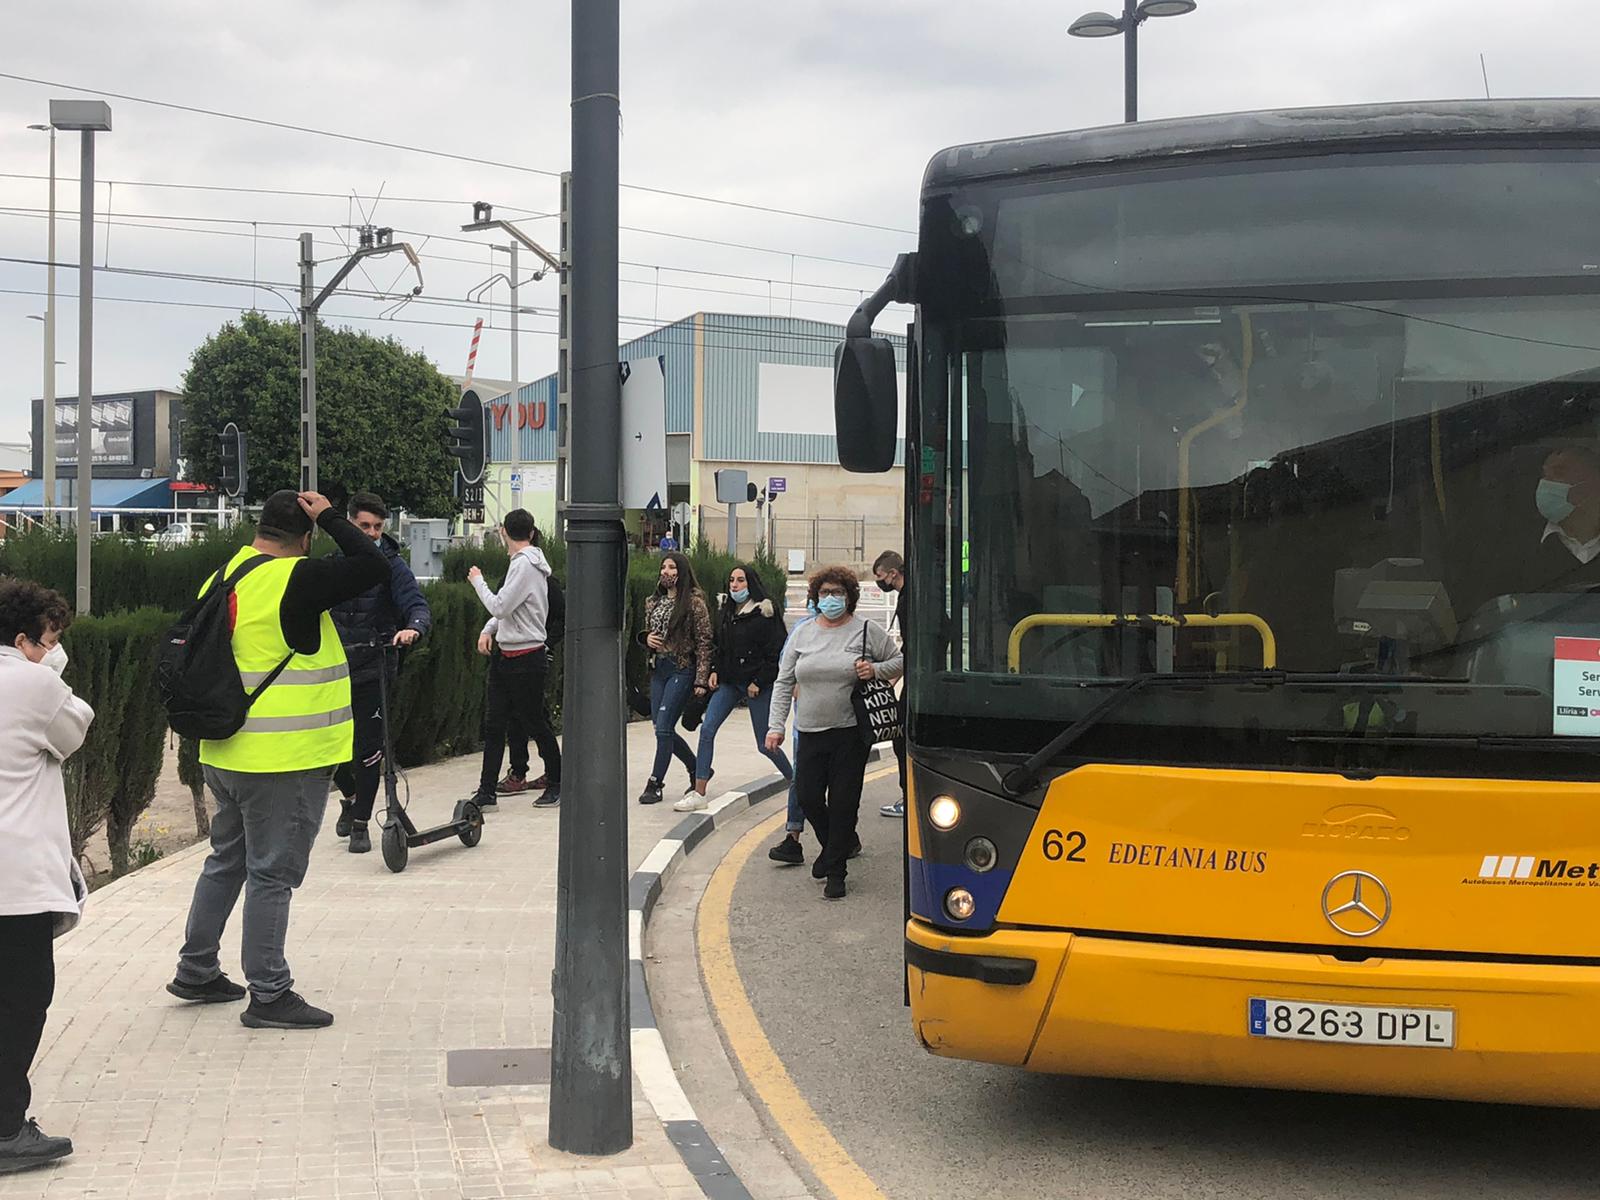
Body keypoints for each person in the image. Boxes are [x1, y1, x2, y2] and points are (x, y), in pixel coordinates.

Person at [170, 490, 387, 1031]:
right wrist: (334, 516)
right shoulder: (296, 578)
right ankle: (268, 992)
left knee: (226, 860)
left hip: (225, 752)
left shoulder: (227, 573)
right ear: (306, 537)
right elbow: (373, 564)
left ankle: (196, 969)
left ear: (258, 528)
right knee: (272, 874)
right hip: (281, 762)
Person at [0, 581, 93, 1173]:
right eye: (48, 641)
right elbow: (73, 731)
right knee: (22, 1002)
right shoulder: (33, 683)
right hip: (15, 880)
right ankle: (7, 1129)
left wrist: (42, 650)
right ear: (21, 640)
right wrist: (47, 661)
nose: (52, 651)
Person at [766, 566, 903, 900]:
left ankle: (836, 871)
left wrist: (875, 670)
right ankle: (833, 850)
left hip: (850, 733)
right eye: (825, 593)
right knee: (809, 796)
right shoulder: (802, 634)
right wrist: (775, 726)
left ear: (849, 597)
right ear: (815, 597)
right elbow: (784, 681)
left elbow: (900, 661)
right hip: (809, 731)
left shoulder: (866, 631)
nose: (830, 599)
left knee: (843, 803)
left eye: (837, 593)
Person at [330, 493, 432, 854]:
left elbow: (415, 603)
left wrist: (414, 628)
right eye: (364, 527)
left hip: (374, 669)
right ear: (348, 525)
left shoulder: (393, 567)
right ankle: (353, 796)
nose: (372, 533)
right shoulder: (332, 565)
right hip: (332, 672)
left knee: (369, 750)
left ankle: (361, 825)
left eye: (377, 527)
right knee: (327, 751)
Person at [467, 508, 563, 810]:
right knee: (495, 724)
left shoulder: (525, 565)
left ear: (503, 532)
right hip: (507, 655)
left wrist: (477, 581)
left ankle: (557, 783)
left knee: (534, 722)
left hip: (525, 657)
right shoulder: (525, 564)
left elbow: (499, 605)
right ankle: (486, 791)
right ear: (531, 532)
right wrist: (488, 630)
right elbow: (510, 607)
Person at [678, 564, 791, 813]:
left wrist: (759, 682)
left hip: (757, 685)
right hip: (730, 682)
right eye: (731, 580)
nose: (735, 585)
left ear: (750, 583)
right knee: (707, 729)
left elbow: (776, 653)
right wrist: (716, 670)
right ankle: (699, 791)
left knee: (765, 744)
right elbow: (721, 645)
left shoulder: (765, 613)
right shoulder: (726, 611)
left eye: (740, 580)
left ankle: (795, 781)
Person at [638, 551, 713, 804]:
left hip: (681, 668)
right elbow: (649, 631)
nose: (666, 572)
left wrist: (701, 680)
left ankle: (655, 782)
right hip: (659, 667)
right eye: (663, 567)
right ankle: (696, 768)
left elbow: (704, 642)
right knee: (661, 727)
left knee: (663, 728)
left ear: (681, 572)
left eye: (672, 568)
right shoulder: (653, 601)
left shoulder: (694, 603)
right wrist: (645, 638)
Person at [767, 597, 818, 866]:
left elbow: (891, 660)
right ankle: (793, 838)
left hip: (845, 726)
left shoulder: (857, 629)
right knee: (801, 780)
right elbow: (784, 673)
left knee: (839, 786)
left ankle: (843, 837)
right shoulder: (801, 629)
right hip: (805, 724)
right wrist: (776, 727)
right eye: (820, 595)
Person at [872, 550, 910, 819]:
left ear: (893, 574)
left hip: (916, 674)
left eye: (880, 577)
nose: (880, 582)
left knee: (900, 737)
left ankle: (908, 797)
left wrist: (891, 675)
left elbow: (912, 645)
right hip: (913, 672)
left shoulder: (908, 600)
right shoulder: (908, 596)